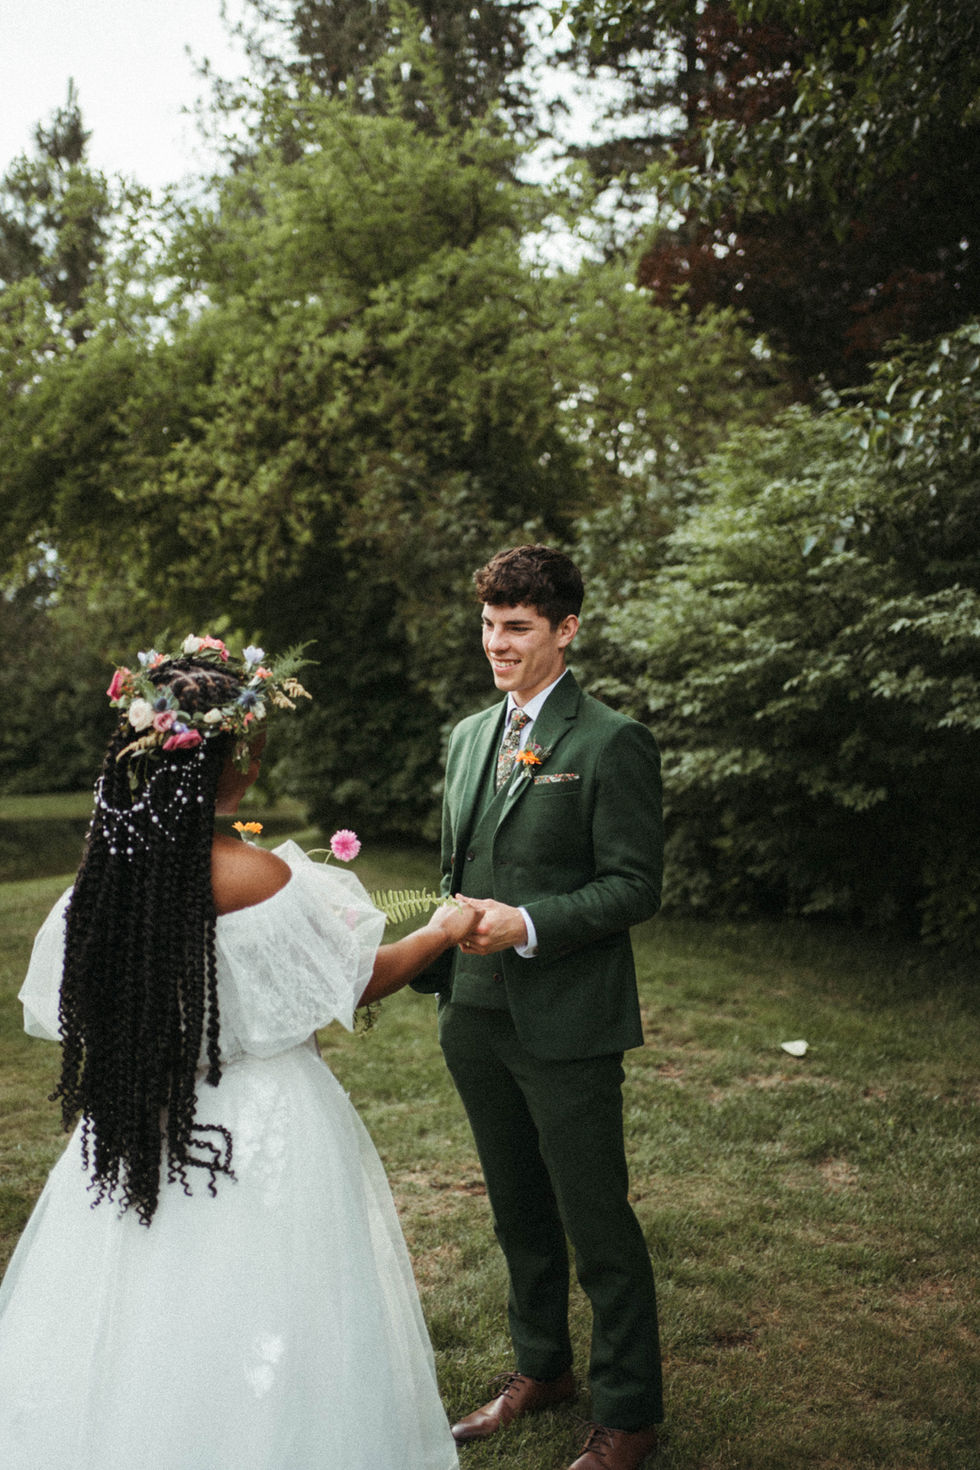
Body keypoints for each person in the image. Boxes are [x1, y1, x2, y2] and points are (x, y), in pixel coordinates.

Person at [0, 637, 477, 1470]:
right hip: (262, 1124)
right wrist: (441, 930)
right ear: (239, 763)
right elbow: (355, 980)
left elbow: (68, 1007)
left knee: (140, 1302)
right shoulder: (258, 876)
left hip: (139, 1118)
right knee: (277, 1299)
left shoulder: (105, 879)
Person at [413, 546, 665, 1470]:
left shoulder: (611, 741)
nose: (497, 643)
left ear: (567, 630)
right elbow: (457, 867)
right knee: (517, 1211)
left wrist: (526, 922)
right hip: (473, 1015)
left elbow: (635, 886)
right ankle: (542, 1369)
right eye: (488, 625)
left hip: (568, 1018)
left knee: (597, 1223)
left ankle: (629, 1413)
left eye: (517, 626)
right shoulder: (467, 737)